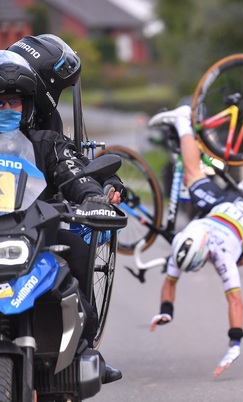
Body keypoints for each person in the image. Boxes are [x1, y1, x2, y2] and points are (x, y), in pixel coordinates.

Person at [0, 49, 123, 384]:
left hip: (37, 237)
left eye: (15, 103)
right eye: (0, 103)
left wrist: (94, 196)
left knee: (78, 253)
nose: (8, 110)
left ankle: (84, 348)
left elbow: (76, 174)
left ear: (27, 106)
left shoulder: (46, 143)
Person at [147, 105, 243, 378]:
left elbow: (235, 303)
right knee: (195, 178)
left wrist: (235, 342)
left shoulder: (221, 255)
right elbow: (173, 282)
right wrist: (165, 310)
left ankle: (183, 122)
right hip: (221, 212)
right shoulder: (183, 244)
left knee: (193, 176)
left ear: (205, 251)